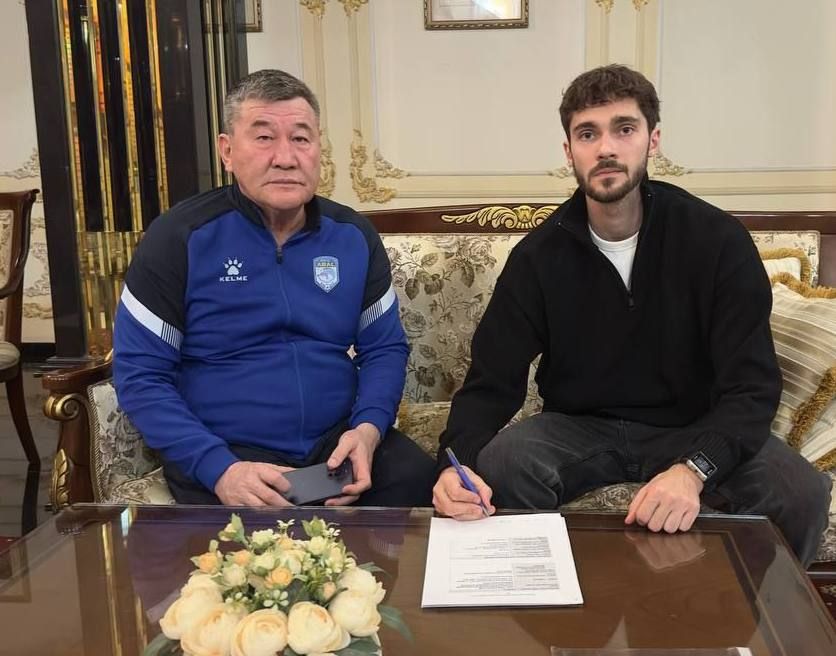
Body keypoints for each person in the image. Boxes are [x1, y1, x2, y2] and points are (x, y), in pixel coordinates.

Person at [431, 64, 831, 566]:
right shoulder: (538, 258)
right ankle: (552, 610)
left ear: (652, 140)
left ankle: (748, 614)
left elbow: (751, 388)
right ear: (568, 151)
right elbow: (490, 383)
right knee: (502, 465)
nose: (606, 148)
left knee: (799, 493)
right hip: (579, 428)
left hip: (694, 424)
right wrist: (454, 466)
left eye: (624, 129)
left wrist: (693, 469)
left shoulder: (717, 241)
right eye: (587, 134)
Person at [114, 69, 435, 508]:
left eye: (301, 138)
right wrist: (218, 468)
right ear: (227, 151)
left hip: (336, 446)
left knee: (424, 491)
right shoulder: (178, 238)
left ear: (319, 149)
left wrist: (367, 430)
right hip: (227, 453)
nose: (286, 157)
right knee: (260, 546)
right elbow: (141, 374)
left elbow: (384, 349)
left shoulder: (352, 236)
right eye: (264, 137)